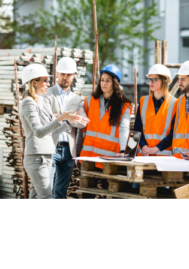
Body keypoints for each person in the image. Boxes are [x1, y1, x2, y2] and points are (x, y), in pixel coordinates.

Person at [19, 64, 89, 199]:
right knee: (47, 197)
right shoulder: (28, 103)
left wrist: (68, 121)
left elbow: (51, 131)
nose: (48, 83)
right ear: (34, 82)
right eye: (45, 80)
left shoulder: (40, 102)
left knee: (35, 197)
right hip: (37, 158)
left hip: (44, 156)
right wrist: (60, 118)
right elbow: (39, 132)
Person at [43, 57, 88, 199]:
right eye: (63, 74)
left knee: (61, 192)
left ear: (74, 75)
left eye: (69, 75)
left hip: (69, 150)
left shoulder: (77, 99)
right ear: (57, 73)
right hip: (51, 146)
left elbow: (82, 123)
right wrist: (68, 118)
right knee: (46, 189)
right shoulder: (47, 94)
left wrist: (63, 118)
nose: (65, 77)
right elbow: (45, 118)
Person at [80, 65, 132, 169]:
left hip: (109, 157)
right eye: (102, 80)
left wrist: (122, 150)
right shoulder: (89, 101)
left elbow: (124, 129)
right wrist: (77, 152)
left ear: (115, 83)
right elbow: (81, 129)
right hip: (88, 157)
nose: (104, 83)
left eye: (108, 80)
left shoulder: (124, 105)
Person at [135, 64, 176, 157]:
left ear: (164, 80)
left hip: (164, 159)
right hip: (143, 156)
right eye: (150, 79)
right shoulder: (143, 101)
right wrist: (144, 146)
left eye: (155, 79)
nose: (151, 82)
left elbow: (174, 133)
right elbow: (137, 129)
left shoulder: (175, 103)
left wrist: (156, 148)